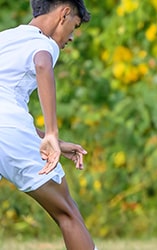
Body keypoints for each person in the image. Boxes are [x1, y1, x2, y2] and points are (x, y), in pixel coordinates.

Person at [0, 1, 93, 249]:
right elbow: (42, 64)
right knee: (67, 213)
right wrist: (51, 132)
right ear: (63, 14)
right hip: (9, 130)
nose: (71, 38)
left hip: (8, 129)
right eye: (73, 27)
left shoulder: (5, 38)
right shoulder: (43, 44)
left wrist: (56, 143)